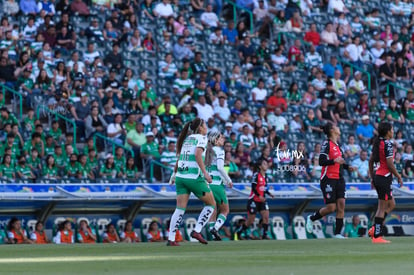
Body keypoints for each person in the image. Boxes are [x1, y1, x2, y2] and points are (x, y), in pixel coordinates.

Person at [166, 118, 216, 246]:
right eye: (205, 125)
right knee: (211, 204)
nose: (206, 128)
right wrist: (205, 173)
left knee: (179, 208)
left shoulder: (187, 139)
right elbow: (197, 154)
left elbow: (180, 158)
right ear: (200, 128)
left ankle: (171, 238)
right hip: (193, 177)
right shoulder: (201, 138)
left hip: (180, 177)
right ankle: (197, 230)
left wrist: (173, 174)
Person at [306, 123, 356, 238]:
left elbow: (340, 162)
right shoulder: (326, 144)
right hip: (328, 178)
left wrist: (348, 167)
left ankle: (338, 234)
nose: (339, 128)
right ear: (332, 130)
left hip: (339, 178)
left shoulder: (338, 146)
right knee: (331, 208)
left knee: (341, 204)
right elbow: (322, 161)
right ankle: (312, 218)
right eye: (337, 127)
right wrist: (334, 161)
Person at [368, 122, 403, 244]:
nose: (393, 131)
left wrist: (372, 177)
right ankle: (377, 236)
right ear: (388, 131)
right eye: (392, 129)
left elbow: (371, 161)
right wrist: (398, 176)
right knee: (381, 207)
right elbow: (389, 164)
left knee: (391, 204)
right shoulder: (387, 144)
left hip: (379, 176)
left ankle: (375, 227)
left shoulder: (379, 143)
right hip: (384, 177)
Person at [205, 131, 233, 241]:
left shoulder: (206, 150)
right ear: (215, 140)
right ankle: (215, 228)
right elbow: (220, 168)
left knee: (212, 209)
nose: (223, 140)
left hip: (206, 184)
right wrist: (229, 180)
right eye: (221, 138)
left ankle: (213, 235)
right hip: (216, 184)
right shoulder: (219, 151)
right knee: (225, 210)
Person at [245, 158, 274, 240]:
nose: (267, 165)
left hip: (262, 200)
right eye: (264, 164)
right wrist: (259, 196)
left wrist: (269, 193)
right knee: (251, 220)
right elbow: (253, 188)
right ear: (260, 166)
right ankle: (240, 232)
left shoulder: (266, 176)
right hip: (254, 200)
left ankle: (264, 235)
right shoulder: (256, 175)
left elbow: (263, 188)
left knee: (266, 217)